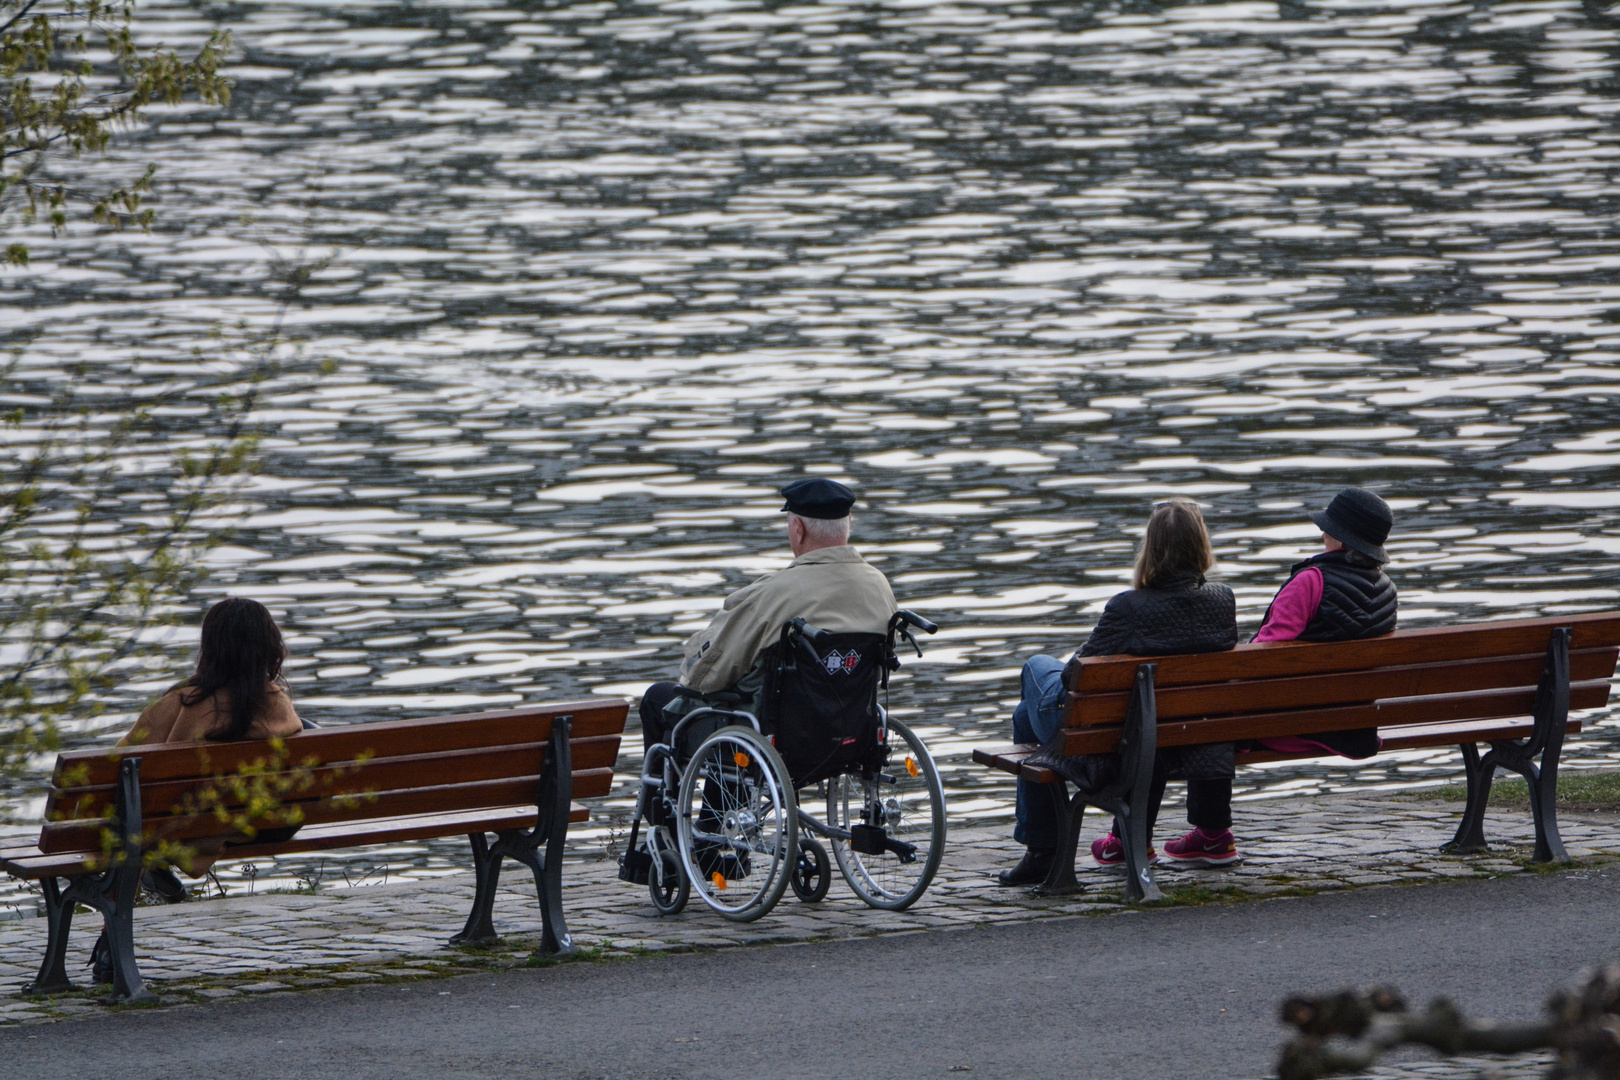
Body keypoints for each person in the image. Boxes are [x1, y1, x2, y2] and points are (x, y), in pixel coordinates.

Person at [998, 499, 1237, 886]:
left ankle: (1043, 851)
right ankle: (1054, 850)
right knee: (1026, 715)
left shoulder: (1129, 607)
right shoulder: (1222, 601)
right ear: (1201, 548)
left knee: (1036, 670)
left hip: (1118, 742)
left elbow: (1074, 676)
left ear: (1151, 550)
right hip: (1183, 735)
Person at [1160, 486, 1398, 869]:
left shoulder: (1311, 581)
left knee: (1210, 713)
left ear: (1336, 535)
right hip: (1356, 726)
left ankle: (1212, 836)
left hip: (1293, 724)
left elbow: (1264, 659)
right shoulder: (1387, 590)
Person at [95, 597, 304, 979]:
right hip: (265, 824)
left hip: (188, 824)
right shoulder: (277, 702)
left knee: (133, 816)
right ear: (269, 646)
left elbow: (115, 769)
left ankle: (112, 944)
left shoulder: (183, 702)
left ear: (210, 648)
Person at [639, 477, 898, 751]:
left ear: (798, 529)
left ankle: (665, 796)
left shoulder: (774, 594)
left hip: (780, 737)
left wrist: (692, 662)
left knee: (660, 698)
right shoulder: (879, 585)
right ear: (848, 525)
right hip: (852, 732)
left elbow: (707, 675)